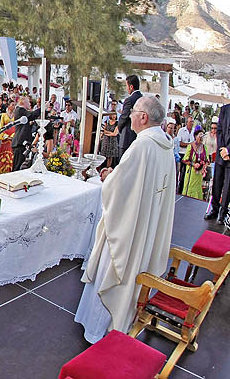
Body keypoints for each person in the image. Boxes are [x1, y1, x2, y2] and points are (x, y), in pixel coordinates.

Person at [75, 96, 175, 343]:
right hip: (146, 224)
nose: (128, 115)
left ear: (143, 117)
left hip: (128, 228)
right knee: (134, 270)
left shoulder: (142, 146)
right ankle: (124, 321)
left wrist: (108, 175)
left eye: (133, 111)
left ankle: (98, 330)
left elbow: (119, 188)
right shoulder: (165, 146)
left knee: (114, 269)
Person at [206, 103, 230, 225]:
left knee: (227, 187)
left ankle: (223, 213)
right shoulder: (225, 110)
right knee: (217, 184)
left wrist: (228, 151)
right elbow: (219, 131)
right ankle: (214, 210)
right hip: (221, 154)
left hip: (229, 154)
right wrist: (222, 150)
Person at [11, 96, 41, 171]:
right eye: (28, 102)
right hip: (19, 142)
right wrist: (43, 108)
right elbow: (31, 115)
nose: (30, 104)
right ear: (23, 102)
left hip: (23, 142)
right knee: (17, 167)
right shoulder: (20, 110)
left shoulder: (21, 111)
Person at [117, 74, 142, 159]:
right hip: (138, 136)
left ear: (131, 86)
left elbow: (124, 117)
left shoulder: (129, 100)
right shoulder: (142, 98)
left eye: (126, 85)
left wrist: (119, 128)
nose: (126, 88)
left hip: (127, 137)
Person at [182, 128, 207, 199]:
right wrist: (193, 164)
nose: (201, 137)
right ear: (196, 136)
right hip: (191, 173)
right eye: (200, 135)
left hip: (199, 175)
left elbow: (207, 160)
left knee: (198, 190)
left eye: (202, 135)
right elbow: (185, 159)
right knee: (189, 190)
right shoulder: (191, 146)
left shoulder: (204, 148)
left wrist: (204, 168)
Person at [176, 117, 195, 193]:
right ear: (187, 122)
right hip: (182, 153)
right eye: (190, 122)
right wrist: (189, 144)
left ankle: (185, 189)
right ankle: (179, 189)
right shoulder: (181, 131)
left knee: (186, 174)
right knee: (181, 173)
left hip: (190, 155)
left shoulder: (194, 131)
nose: (191, 123)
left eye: (192, 122)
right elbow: (179, 143)